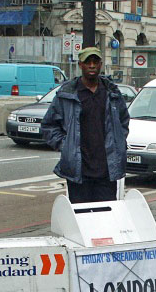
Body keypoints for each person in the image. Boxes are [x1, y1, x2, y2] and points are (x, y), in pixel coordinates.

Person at [41, 46, 129, 203]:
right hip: (78, 171)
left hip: (107, 170)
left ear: (101, 64)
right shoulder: (67, 94)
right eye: (88, 62)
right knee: (82, 219)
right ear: (80, 65)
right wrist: (65, 144)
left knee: (106, 218)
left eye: (96, 62)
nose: (92, 66)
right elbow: (48, 125)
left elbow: (123, 122)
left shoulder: (112, 93)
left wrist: (118, 142)